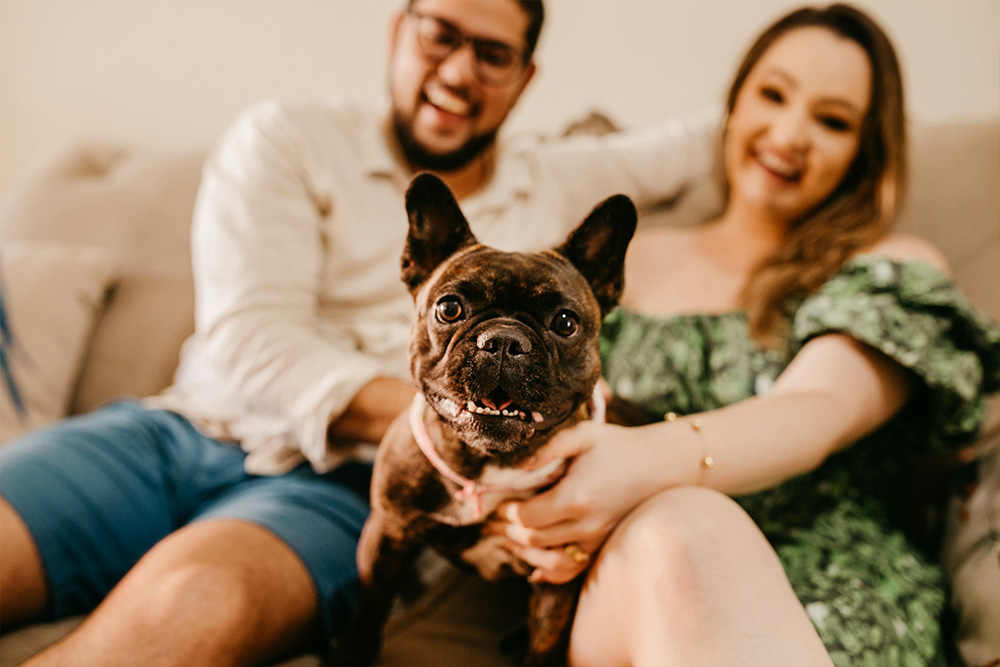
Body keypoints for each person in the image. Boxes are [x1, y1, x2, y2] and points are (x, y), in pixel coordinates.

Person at [0, 0, 719, 664]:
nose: (461, 69)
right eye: (441, 33)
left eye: (493, 54)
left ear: (526, 76)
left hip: (338, 483)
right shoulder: (288, 138)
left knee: (186, 608)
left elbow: (713, 138)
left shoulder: (561, 177)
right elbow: (250, 341)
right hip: (181, 429)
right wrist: (471, 438)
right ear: (398, 30)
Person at [495, 4, 1000, 666]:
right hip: (625, 582)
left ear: (863, 152)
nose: (789, 134)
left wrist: (640, 462)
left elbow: (816, 411)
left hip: (835, 591)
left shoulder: (892, 266)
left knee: (688, 525)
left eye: (832, 120)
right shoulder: (610, 266)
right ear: (733, 102)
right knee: (679, 535)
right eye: (773, 94)